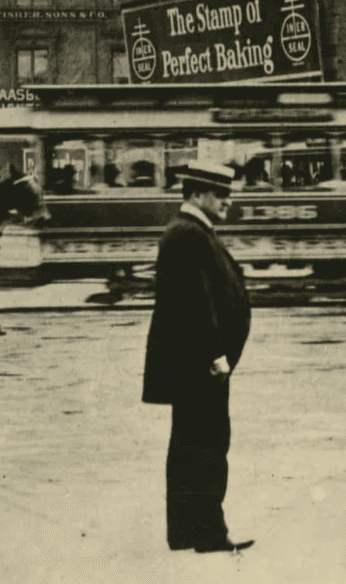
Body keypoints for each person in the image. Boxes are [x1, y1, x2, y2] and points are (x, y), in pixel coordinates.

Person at [142, 161, 254, 554]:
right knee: (204, 447)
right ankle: (205, 532)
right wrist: (215, 354)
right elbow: (195, 303)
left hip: (199, 364)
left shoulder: (191, 231)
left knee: (197, 446)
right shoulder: (188, 234)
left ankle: (196, 531)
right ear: (195, 194)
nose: (227, 201)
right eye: (219, 194)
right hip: (201, 366)